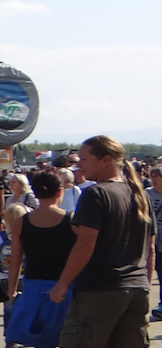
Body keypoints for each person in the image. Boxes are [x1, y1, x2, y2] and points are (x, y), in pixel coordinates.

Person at [49, 136, 156, 348]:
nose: (79, 165)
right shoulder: (139, 194)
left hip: (101, 290)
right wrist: (146, 283)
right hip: (136, 288)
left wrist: (61, 284)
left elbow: (85, 245)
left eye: (84, 159)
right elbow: (149, 248)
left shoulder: (96, 194)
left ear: (105, 159)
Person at [5, 170, 76, 348]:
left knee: (39, 340)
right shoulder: (72, 220)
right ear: (60, 191)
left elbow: (16, 260)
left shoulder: (21, 222)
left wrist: (12, 290)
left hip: (33, 288)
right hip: (65, 286)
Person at [147, 166, 162, 321]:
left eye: (158, 176)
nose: (154, 179)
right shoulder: (147, 194)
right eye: (152, 176)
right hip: (151, 239)